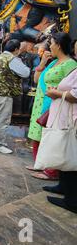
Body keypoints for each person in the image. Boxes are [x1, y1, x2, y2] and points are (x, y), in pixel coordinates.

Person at [28, 33, 77, 180]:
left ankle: (52, 170)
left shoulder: (70, 64)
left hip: (55, 103)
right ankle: (40, 164)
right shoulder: (52, 62)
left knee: (52, 136)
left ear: (59, 45)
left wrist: (57, 93)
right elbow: (37, 80)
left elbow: (71, 87)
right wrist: (43, 62)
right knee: (38, 134)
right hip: (42, 100)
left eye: (52, 43)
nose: (50, 46)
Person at [41, 68, 77, 213]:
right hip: (65, 116)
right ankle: (63, 187)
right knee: (64, 151)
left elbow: (75, 94)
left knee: (71, 155)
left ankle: (72, 200)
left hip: (72, 118)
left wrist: (56, 93)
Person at [0, 39, 31, 154]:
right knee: (2, 120)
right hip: (4, 94)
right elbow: (26, 73)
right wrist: (19, 61)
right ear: (16, 49)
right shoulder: (12, 59)